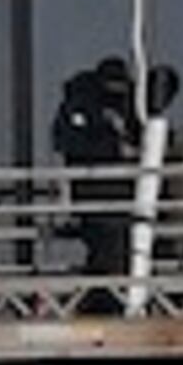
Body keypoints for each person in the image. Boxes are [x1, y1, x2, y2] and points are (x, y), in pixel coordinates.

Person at [49, 57, 144, 290]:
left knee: (123, 254)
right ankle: (104, 299)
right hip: (95, 193)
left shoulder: (131, 104)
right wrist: (114, 148)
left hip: (126, 196)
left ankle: (108, 297)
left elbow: (141, 135)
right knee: (107, 255)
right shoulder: (81, 102)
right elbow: (66, 141)